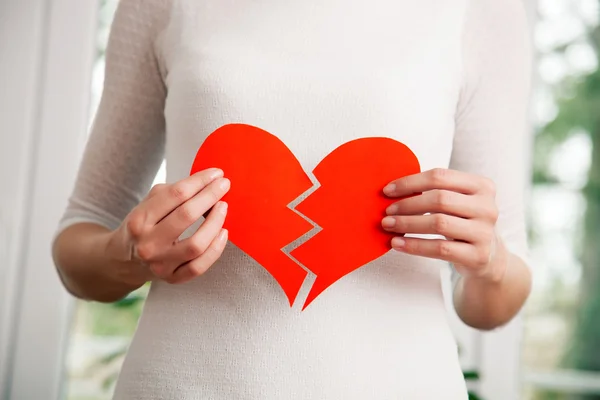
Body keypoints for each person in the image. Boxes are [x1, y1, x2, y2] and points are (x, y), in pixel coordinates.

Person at [51, 0, 533, 398]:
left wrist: (488, 263)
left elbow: (495, 303)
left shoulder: (483, 11)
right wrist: (128, 254)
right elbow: (80, 237)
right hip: (179, 384)